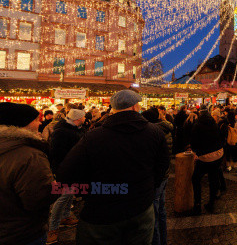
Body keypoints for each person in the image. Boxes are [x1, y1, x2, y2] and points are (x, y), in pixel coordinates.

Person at [56, 90, 170, 245]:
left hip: (102, 211)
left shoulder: (93, 136)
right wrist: (146, 187)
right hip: (140, 206)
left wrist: (92, 190)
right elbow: (162, 167)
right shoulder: (155, 132)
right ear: (136, 107)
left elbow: (65, 175)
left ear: (113, 109)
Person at [0, 102, 57, 245]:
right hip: (21, 233)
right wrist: (55, 187)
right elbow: (38, 198)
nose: (40, 123)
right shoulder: (29, 156)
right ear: (23, 123)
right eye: (36, 120)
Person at [47, 109, 86, 244]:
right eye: (83, 116)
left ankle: (65, 217)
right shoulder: (62, 132)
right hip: (65, 169)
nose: (85, 118)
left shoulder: (75, 128)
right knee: (63, 197)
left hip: (74, 168)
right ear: (78, 118)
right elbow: (57, 153)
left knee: (70, 193)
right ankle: (53, 228)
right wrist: (63, 169)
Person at [140, 107, 170, 245]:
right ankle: (163, 240)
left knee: (155, 215)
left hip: (156, 178)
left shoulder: (153, 133)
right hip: (163, 176)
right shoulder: (165, 128)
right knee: (161, 211)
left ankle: (157, 241)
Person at [190, 105, 224, 215]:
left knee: (196, 179)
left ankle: (197, 204)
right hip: (218, 154)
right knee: (213, 178)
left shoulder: (197, 125)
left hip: (206, 157)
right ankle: (211, 203)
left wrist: (196, 152)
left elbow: (194, 143)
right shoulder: (214, 123)